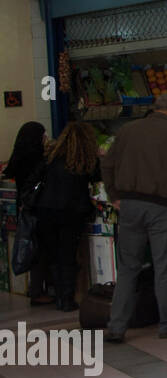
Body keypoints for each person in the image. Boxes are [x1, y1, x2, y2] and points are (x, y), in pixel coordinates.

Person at [102, 94, 167, 342]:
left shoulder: (127, 131)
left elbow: (107, 164)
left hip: (129, 206)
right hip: (162, 208)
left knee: (128, 268)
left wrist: (113, 195)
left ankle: (116, 327)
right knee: (164, 267)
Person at [35, 122, 101, 312]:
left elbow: (36, 178)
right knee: (68, 255)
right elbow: (97, 179)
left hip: (46, 210)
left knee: (54, 255)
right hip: (72, 212)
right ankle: (67, 298)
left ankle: (59, 295)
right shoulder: (85, 161)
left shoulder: (52, 157)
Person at [4, 121, 52, 304]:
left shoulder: (18, 158)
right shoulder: (38, 159)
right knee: (41, 249)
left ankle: (35, 289)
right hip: (39, 207)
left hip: (24, 208)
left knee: (31, 246)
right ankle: (38, 291)